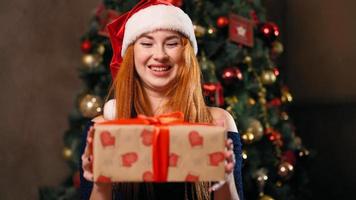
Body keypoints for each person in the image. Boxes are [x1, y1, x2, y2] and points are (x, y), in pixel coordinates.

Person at [80, 0, 243, 199]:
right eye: (147, 43)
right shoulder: (103, 128)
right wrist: (101, 184)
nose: (159, 55)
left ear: (187, 54)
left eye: (172, 43)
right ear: (131, 54)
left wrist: (224, 181)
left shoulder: (218, 123)